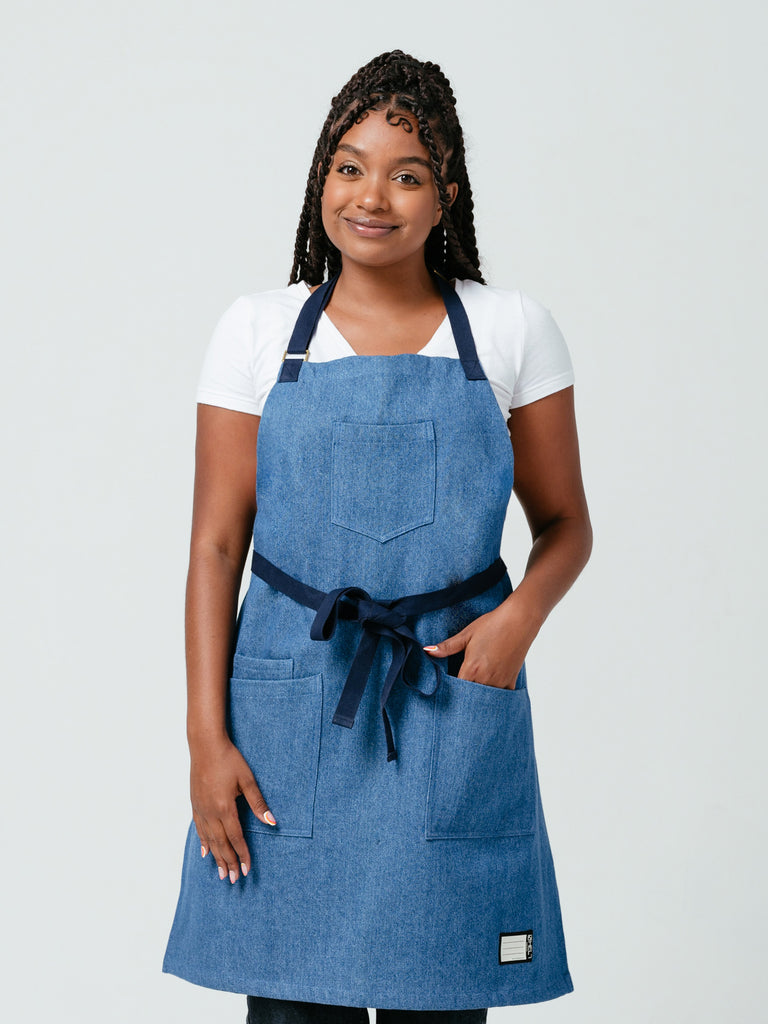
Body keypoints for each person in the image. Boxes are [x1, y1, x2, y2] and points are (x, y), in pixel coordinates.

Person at [162, 50, 593, 1023]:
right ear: (321, 176)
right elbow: (216, 546)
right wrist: (204, 737)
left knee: (441, 995)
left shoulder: (513, 328)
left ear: (447, 194)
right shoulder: (257, 330)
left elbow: (566, 523)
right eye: (349, 166)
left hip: (448, 695)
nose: (373, 196)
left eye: (408, 174)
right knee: (289, 1010)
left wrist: (520, 618)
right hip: (284, 717)